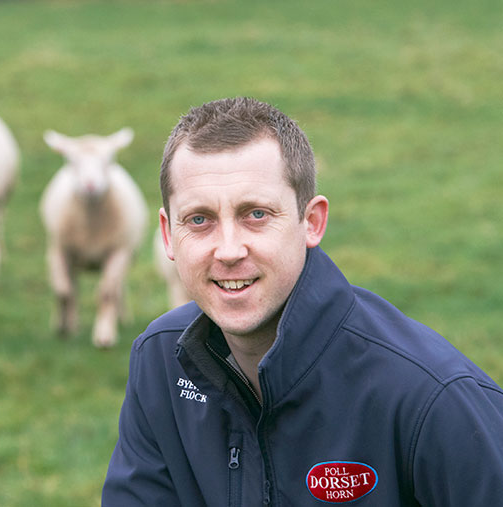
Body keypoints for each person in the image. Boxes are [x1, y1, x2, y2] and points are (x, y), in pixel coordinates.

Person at [101, 97, 503, 505]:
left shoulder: (432, 397)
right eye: (199, 219)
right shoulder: (160, 362)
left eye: (255, 214)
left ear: (311, 222)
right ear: (169, 235)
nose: (228, 250)